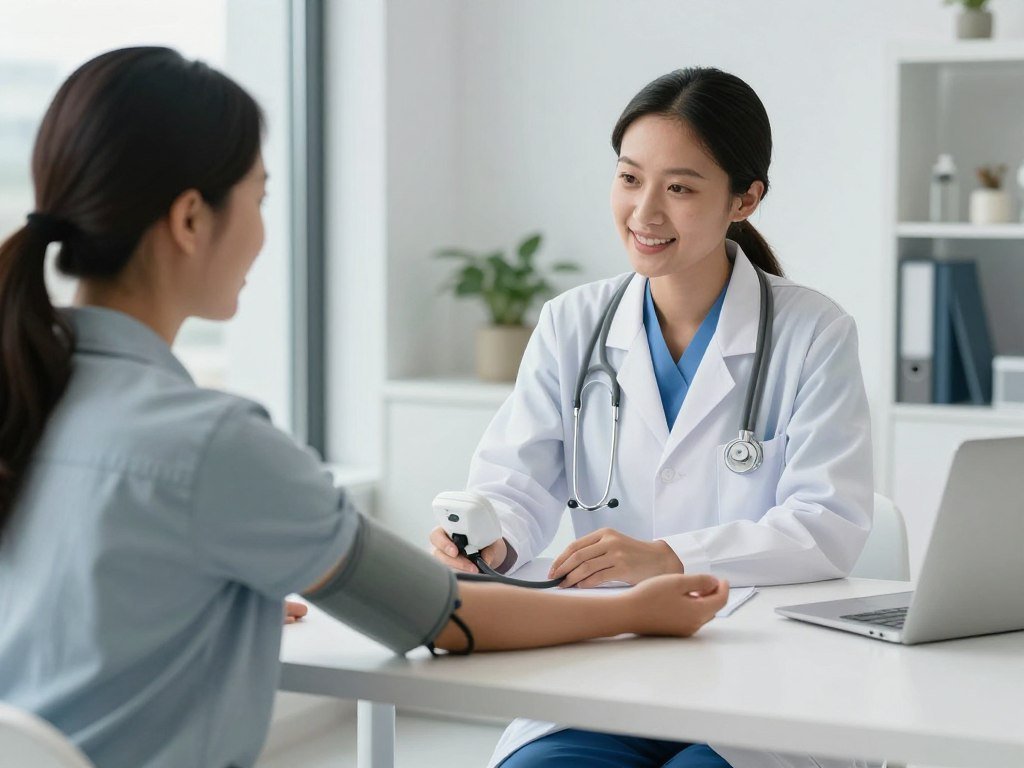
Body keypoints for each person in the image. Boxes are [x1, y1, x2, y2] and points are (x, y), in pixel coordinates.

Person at [0, 48, 729, 768]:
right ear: (191, 220)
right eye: (259, 198)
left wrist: (218, 586)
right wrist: (634, 609)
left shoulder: (25, 398)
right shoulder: (214, 444)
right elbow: (442, 614)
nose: (262, 232)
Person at [429, 68, 875, 768]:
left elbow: (827, 524)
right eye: (630, 178)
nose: (645, 212)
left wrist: (669, 556)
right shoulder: (571, 323)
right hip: (608, 666)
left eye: (680, 188)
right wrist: (492, 542)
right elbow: (517, 484)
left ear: (745, 198)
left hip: (757, 680)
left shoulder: (813, 332)